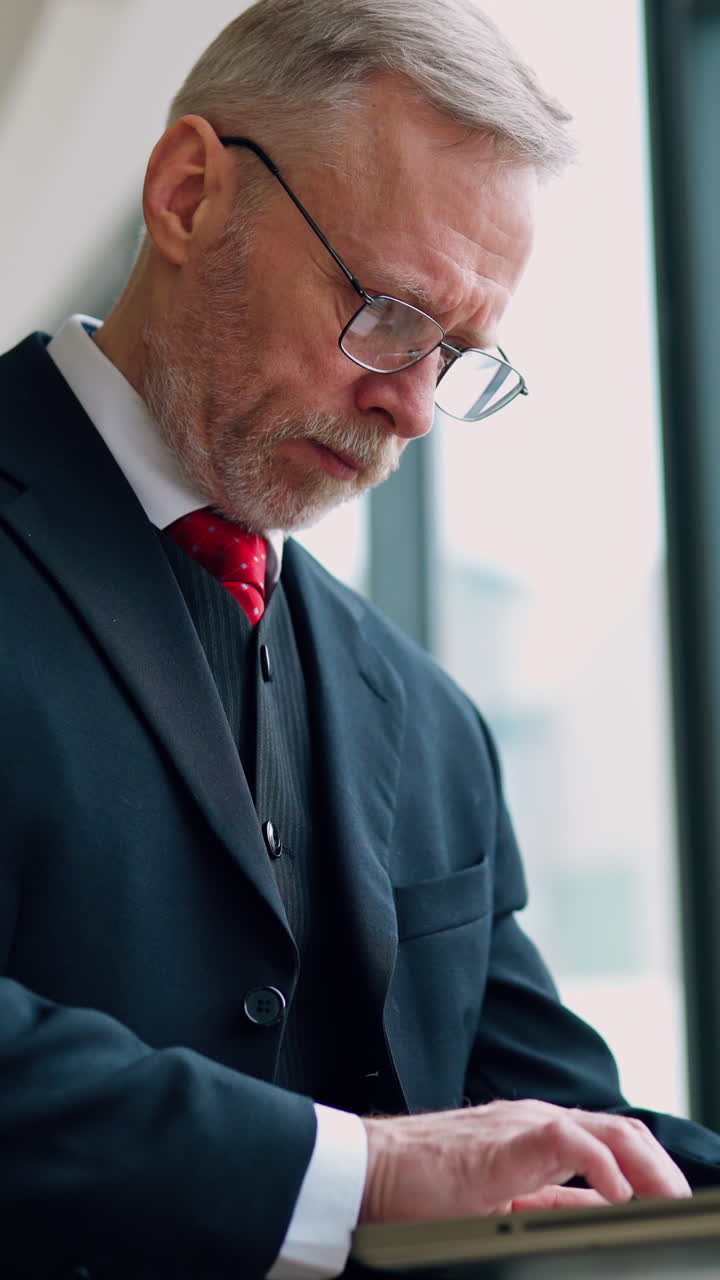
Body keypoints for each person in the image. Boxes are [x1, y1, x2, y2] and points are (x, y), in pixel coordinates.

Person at [1, 1, 719, 1277]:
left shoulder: (430, 718)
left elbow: (569, 1133)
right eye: (387, 312)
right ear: (186, 195)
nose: (414, 407)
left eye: (457, 357)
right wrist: (368, 1172)